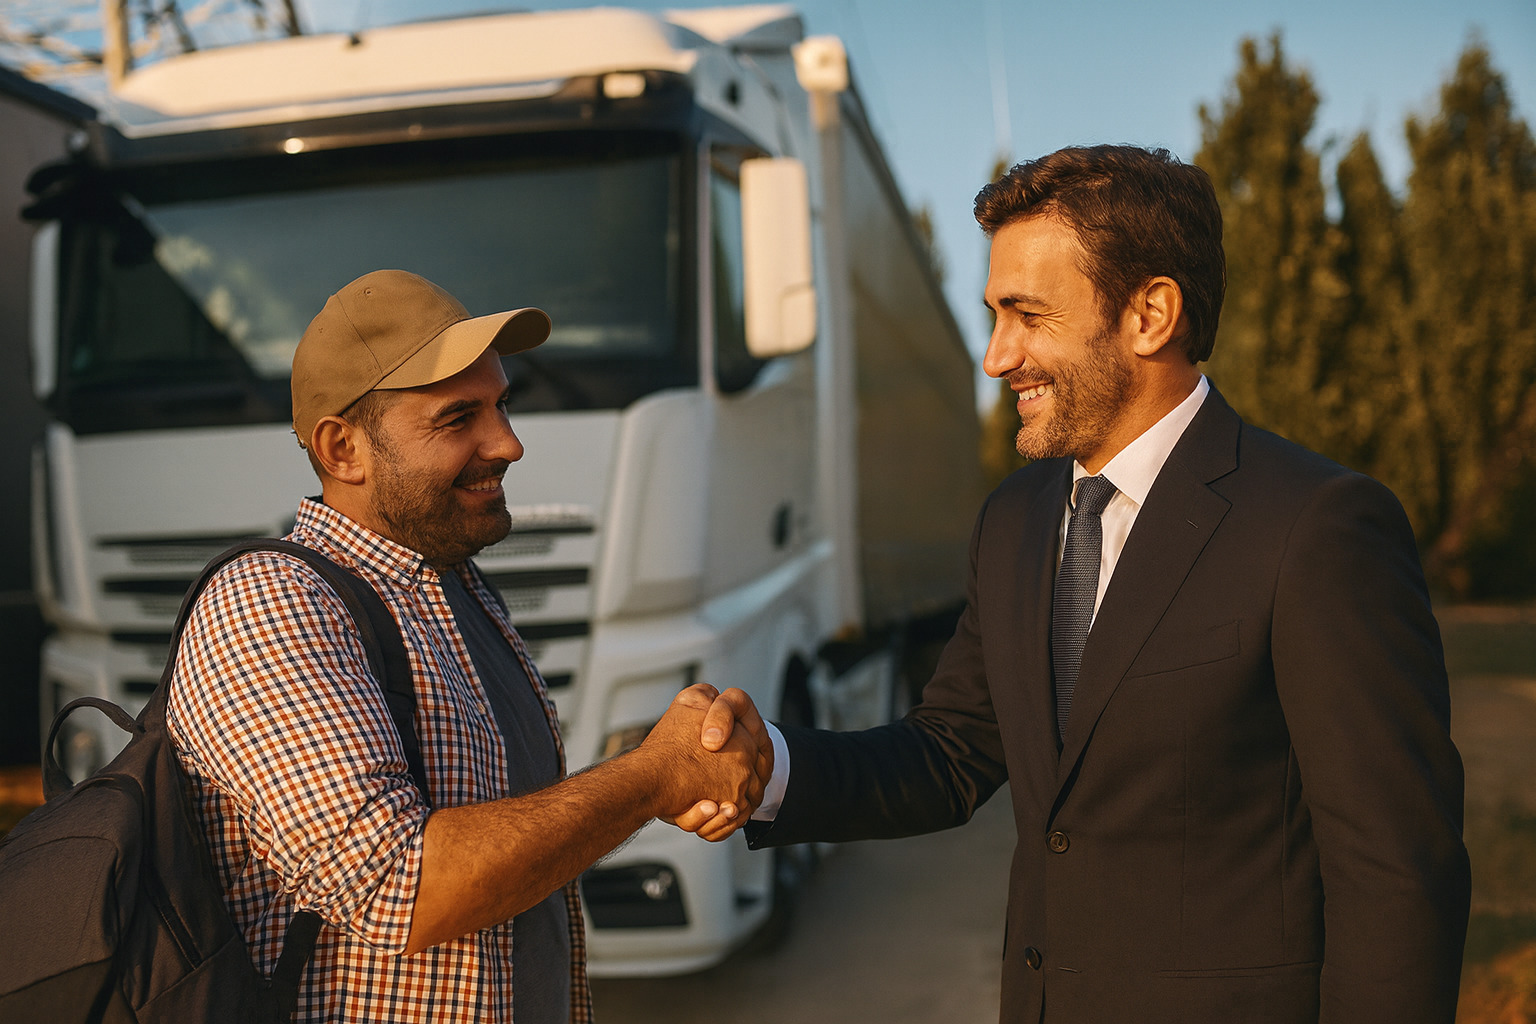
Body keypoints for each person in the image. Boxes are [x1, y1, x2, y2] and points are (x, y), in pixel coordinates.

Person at [690, 145, 1471, 1023]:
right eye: (993, 314)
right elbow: (951, 753)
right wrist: (774, 765)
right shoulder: (1015, 519)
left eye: (1026, 314)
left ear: (1151, 314)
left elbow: (1397, 869)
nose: (995, 357)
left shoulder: (1319, 527)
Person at [166, 269, 768, 1022]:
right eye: (459, 419)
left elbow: (516, 834)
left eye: (502, 406)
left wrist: (669, 774)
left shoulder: (454, 589)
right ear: (343, 448)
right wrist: (654, 775)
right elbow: (394, 885)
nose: (509, 443)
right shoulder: (273, 604)